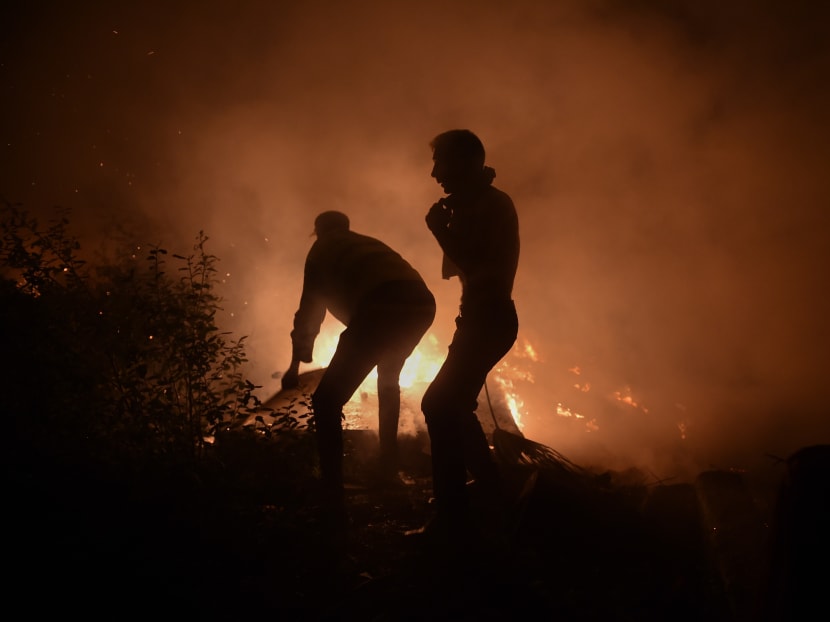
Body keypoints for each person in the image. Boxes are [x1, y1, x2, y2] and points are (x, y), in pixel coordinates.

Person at [282, 210, 436, 503]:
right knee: (388, 380)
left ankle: (331, 487)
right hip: (421, 306)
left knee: (326, 401)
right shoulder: (364, 242)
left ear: (318, 231)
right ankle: (387, 468)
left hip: (379, 306)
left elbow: (309, 313)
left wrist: (295, 365)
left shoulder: (320, 252)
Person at [419, 129, 520, 542]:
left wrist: (440, 229)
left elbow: (478, 266)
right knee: (455, 406)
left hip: (489, 322)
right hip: (481, 321)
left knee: (438, 405)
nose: (435, 173)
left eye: (440, 162)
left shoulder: (492, 205)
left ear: (465, 161)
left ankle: (453, 516)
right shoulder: (476, 204)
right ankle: (491, 491)